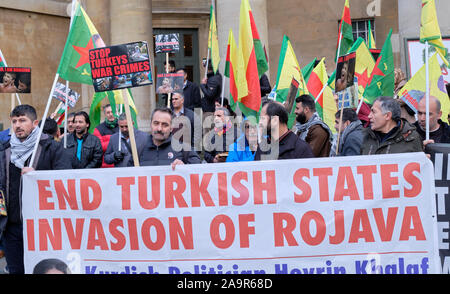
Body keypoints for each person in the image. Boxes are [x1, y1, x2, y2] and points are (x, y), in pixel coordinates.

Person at [0, 104, 71, 274]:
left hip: (43, 227)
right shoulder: (4, 149)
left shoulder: (51, 147)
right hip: (12, 226)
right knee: (16, 270)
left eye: (23, 120)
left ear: (35, 123)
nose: (18, 125)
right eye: (14, 121)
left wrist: (38, 176)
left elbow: (66, 178)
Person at [133, 108, 201, 168]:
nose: (159, 129)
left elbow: (199, 170)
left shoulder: (184, 149)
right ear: (151, 124)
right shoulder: (139, 148)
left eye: (165, 125)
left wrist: (184, 168)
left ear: (171, 128)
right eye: (156, 123)